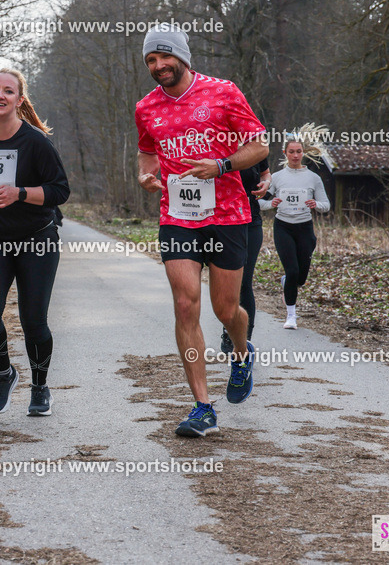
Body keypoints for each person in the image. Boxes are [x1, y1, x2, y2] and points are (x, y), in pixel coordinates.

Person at [136, 25, 269, 438]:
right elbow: (146, 154)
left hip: (228, 215)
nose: (159, 65)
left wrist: (222, 165)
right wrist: (146, 176)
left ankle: (242, 354)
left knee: (226, 311)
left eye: (165, 57)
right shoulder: (146, 107)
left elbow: (260, 145)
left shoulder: (223, 92)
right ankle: (202, 406)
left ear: (183, 57)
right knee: (184, 305)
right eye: (151, 60)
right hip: (177, 217)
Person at [0, 68, 70, 416]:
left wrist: (20, 193)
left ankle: (40, 387)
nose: (0, 95)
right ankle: (4, 373)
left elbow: (60, 191)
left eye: (8, 91)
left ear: (19, 99)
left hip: (36, 240)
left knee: (33, 321)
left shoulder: (36, 142)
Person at [260, 128, 330, 330]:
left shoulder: (313, 178)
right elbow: (260, 202)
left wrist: (315, 204)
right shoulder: (276, 177)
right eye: (291, 152)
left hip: (304, 228)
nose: (295, 155)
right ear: (285, 153)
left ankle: (287, 282)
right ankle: (291, 316)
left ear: (303, 153)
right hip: (283, 227)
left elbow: (326, 205)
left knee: (300, 277)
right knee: (292, 270)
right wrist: (271, 204)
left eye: (299, 151)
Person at [219, 159, 271, 354]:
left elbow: (265, 173)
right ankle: (229, 327)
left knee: (244, 281)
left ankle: (244, 338)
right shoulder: (218, 147)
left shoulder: (255, 149)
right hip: (223, 223)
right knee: (227, 282)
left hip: (251, 222)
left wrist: (266, 183)